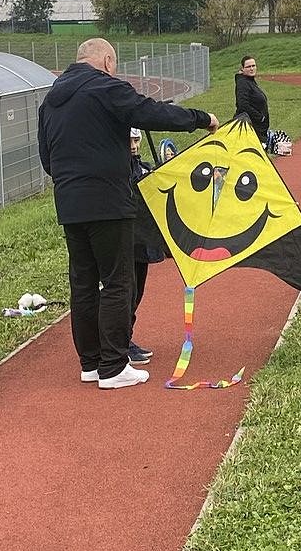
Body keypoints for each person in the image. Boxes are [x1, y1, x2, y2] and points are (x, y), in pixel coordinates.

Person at [38, 37, 218, 389]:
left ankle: (91, 364)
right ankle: (114, 366)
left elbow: (47, 159)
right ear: (107, 61)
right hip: (109, 201)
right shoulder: (106, 88)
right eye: (115, 64)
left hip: (70, 204)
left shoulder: (51, 101)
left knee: (83, 283)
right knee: (118, 281)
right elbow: (151, 112)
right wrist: (201, 119)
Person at [127, 127, 166, 365]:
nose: (133, 146)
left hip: (142, 240)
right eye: (129, 141)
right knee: (126, 292)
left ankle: (126, 338)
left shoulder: (143, 166)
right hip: (126, 239)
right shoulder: (121, 169)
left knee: (137, 291)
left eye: (136, 140)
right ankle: (120, 342)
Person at [234, 55, 270, 145]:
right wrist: (260, 117)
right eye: (248, 67)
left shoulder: (250, 81)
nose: (251, 69)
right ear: (242, 69)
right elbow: (243, 105)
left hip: (258, 128)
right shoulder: (243, 83)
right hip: (250, 128)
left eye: (253, 66)